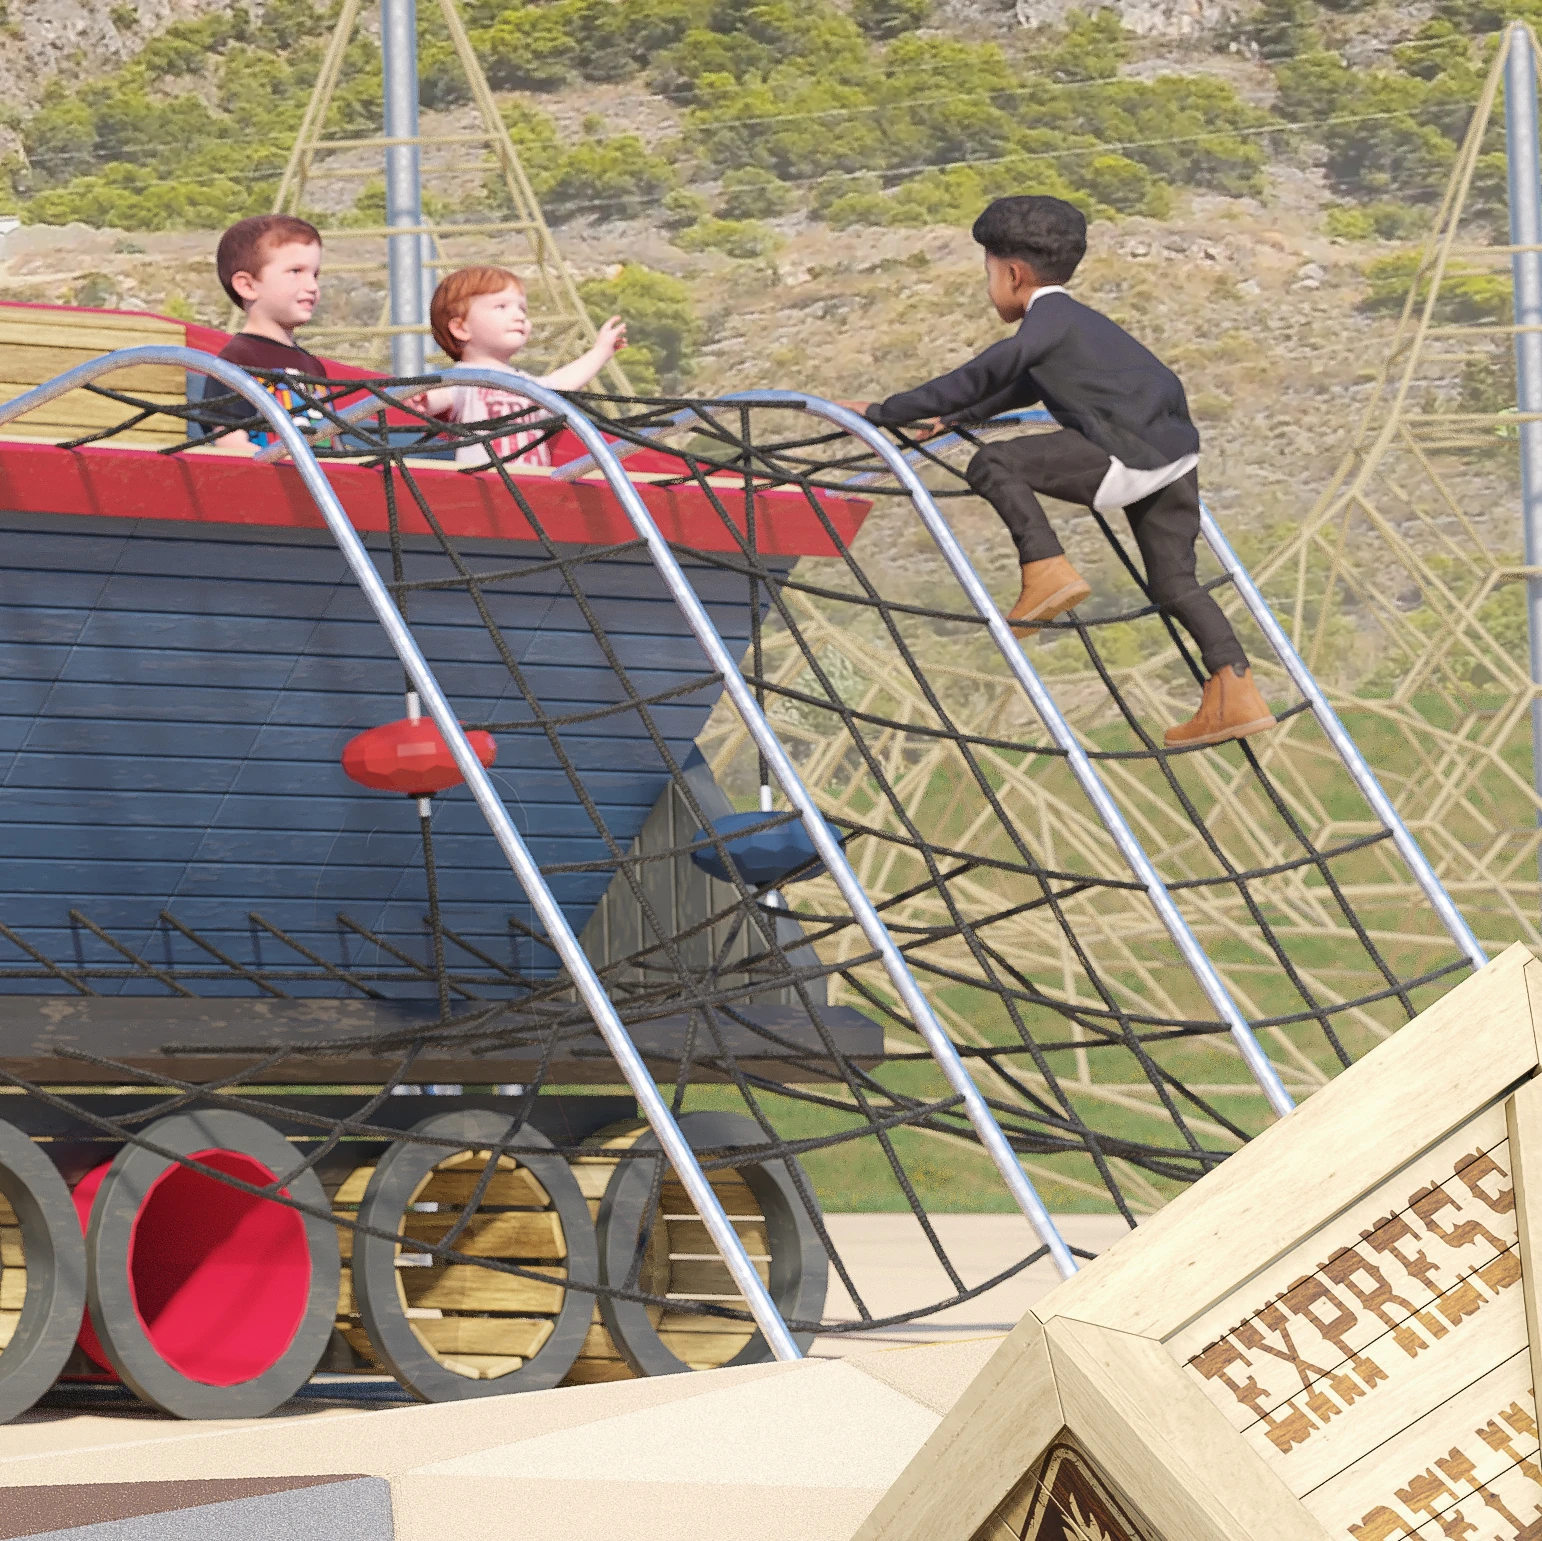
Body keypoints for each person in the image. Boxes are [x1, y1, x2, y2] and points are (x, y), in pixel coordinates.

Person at [851, 195, 1275, 750]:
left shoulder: (1047, 320)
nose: (989, 287)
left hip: (1126, 452)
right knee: (1174, 583)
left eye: (988, 274)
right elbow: (1023, 383)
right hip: (1175, 457)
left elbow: (991, 370)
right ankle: (1235, 690)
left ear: (1013, 273)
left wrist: (887, 411)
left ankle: (1046, 569)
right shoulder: (1076, 324)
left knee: (994, 462)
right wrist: (953, 418)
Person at [408, 266, 627, 469]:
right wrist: (423, 398)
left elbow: (561, 383)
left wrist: (601, 352)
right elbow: (440, 397)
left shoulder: (526, 385)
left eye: (522, 308)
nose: (519, 316)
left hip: (532, 488)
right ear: (461, 327)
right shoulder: (464, 380)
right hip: (488, 487)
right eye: (501, 307)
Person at [209, 214, 326, 451]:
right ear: (248, 286)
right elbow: (230, 443)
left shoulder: (313, 366)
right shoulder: (236, 362)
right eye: (296, 271)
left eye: (315, 274)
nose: (312, 286)